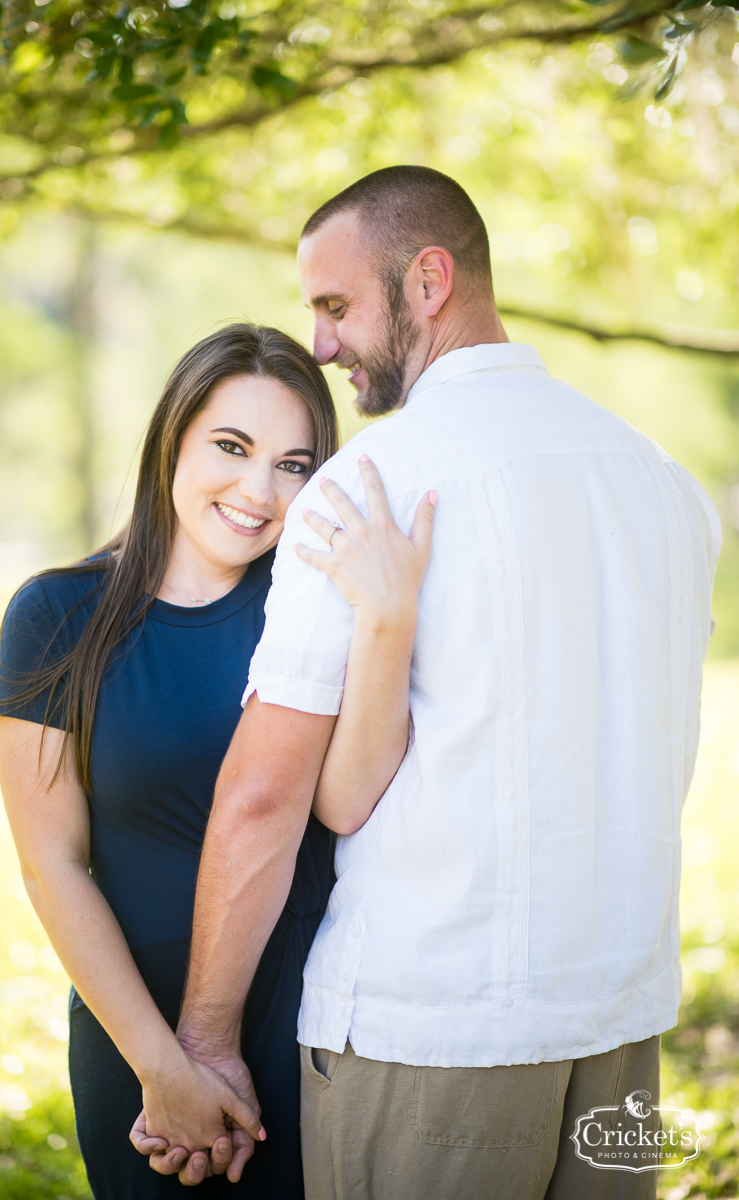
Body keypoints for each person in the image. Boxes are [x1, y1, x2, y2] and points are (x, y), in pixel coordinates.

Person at [139, 169, 721, 1200]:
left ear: (429, 280)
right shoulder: (667, 488)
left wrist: (205, 1040)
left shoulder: (369, 487)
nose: (320, 342)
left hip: (431, 1031)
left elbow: (269, 796)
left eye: (335, 304)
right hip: (619, 1029)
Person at [0, 323, 435, 1199]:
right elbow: (52, 866)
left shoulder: (312, 613)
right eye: (232, 446)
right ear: (172, 437)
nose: (258, 490)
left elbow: (345, 802)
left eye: (294, 464)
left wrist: (386, 620)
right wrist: (166, 1070)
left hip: (304, 1021)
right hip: (131, 1027)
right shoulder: (57, 615)